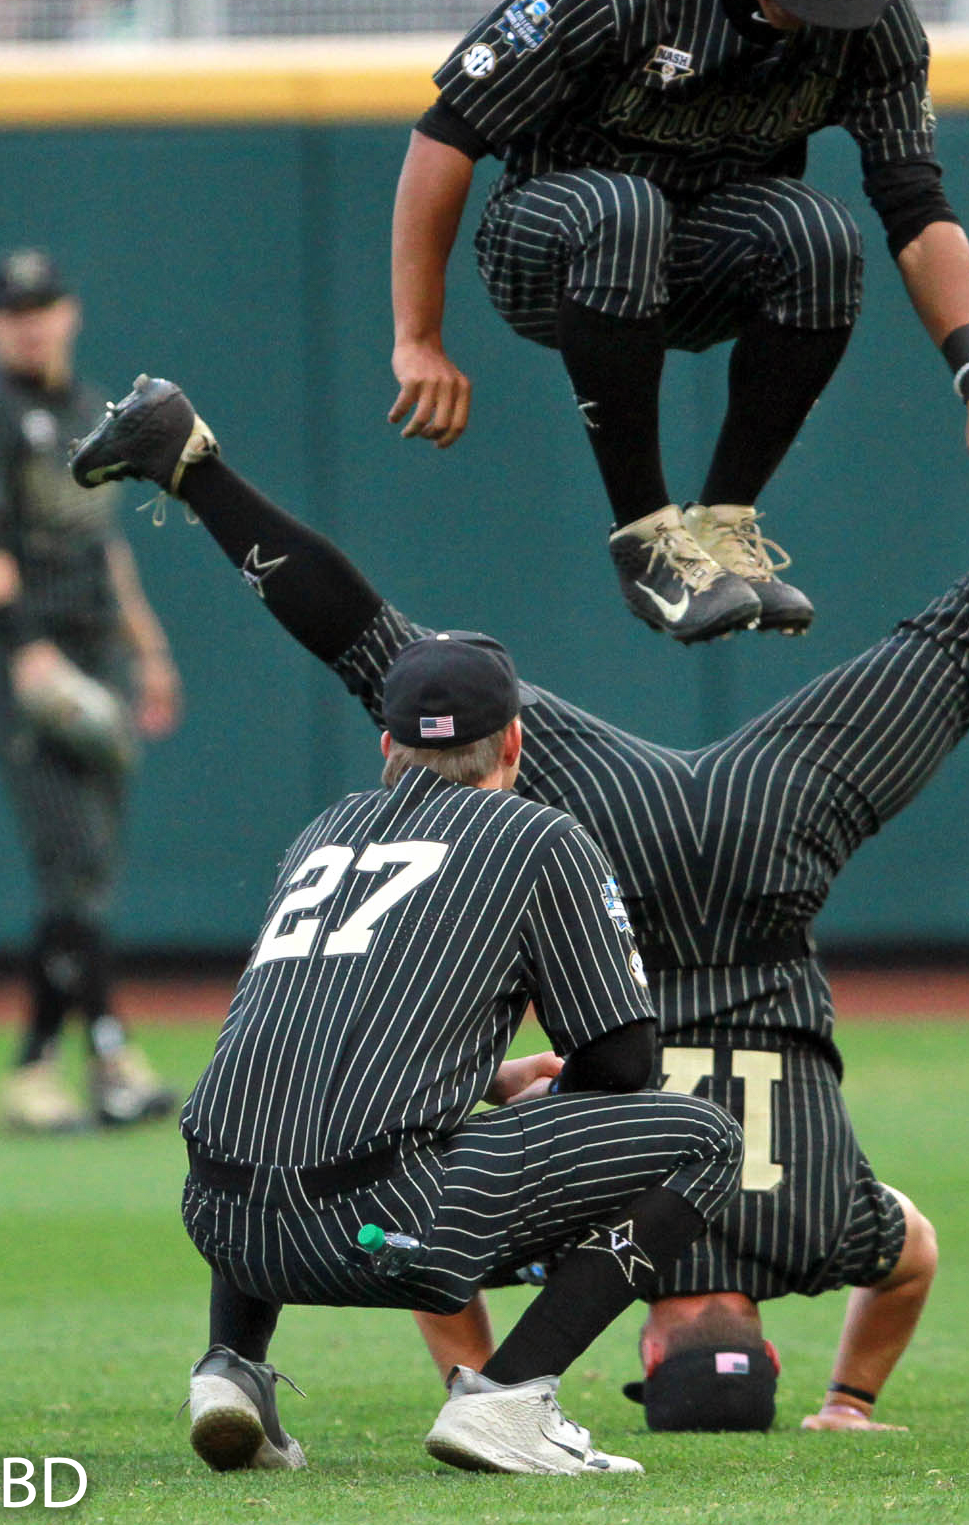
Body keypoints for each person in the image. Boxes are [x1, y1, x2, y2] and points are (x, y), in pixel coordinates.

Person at [71, 320, 969, 1430]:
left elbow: (909, 1257)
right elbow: (440, 1266)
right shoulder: (658, 1232)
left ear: (763, 1342)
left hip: (753, 845)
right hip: (649, 862)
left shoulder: (819, 1232)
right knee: (390, 659)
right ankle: (189, 462)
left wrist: (848, 1394)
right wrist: (472, 1372)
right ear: (644, 1349)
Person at [387, 0, 969, 645]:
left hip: (698, 258)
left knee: (819, 233)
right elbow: (447, 132)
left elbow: (915, 204)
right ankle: (645, 538)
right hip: (550, 247)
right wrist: (419, 337)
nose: (808, 9)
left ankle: (723, 527)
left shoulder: (872, 19)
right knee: (626, 209)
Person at [178, 632, 744, 1475]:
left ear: (388, 746)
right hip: (383, 1225)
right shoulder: (540, 837)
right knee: (708, 1138)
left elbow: (313, 1035)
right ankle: (508, 1398)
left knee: (279, 1101)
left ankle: (231, 1366)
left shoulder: (323, 830)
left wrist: (487, 1079)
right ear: (513, 740)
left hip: (221, 1221)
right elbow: (624, 1064)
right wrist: (555, 1113)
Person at [0, 249, 183, 1134]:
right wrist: (28, 651)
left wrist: (150, 651)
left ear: (69, 313)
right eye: (13, 311)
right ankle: (106, 1058)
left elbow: (105, 545)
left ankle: (45, 1067)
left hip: (98, 657)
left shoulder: (89, 410)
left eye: (42, 307)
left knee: (90, 874)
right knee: (72, 858)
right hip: (25, 672)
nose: (29, 324)